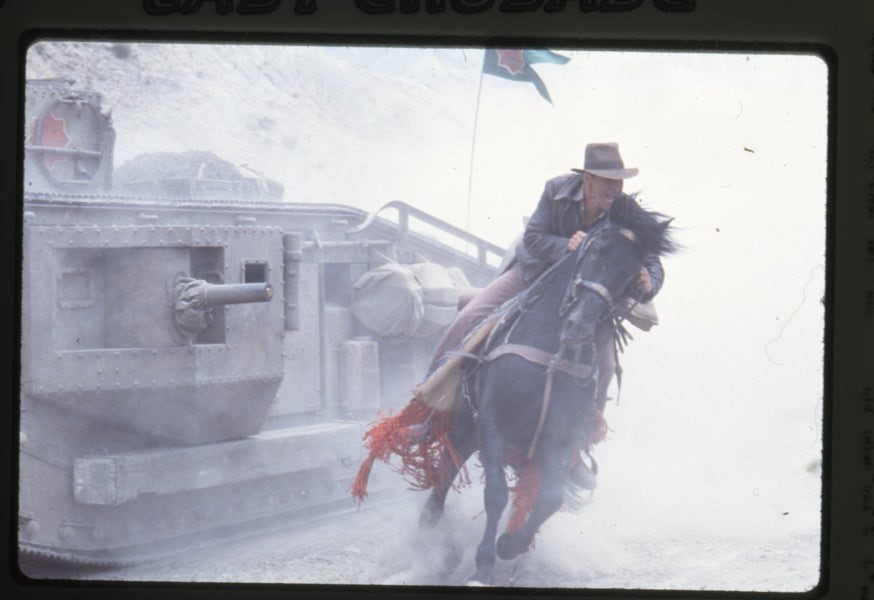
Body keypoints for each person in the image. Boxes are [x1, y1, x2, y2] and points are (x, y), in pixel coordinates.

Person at [422, 142, 665, 489]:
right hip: (535, 275)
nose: (616, 188)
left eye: (619, 181)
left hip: (585, 295)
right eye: (608, 181)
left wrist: (650, 281)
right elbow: (533, 238)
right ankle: (428, 407)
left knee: (606, 363)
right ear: (587, 179)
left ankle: (578, 447)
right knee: (470, 316)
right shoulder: (556, 190)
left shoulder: (626, 210)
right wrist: (565, 245)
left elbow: (652, 259)